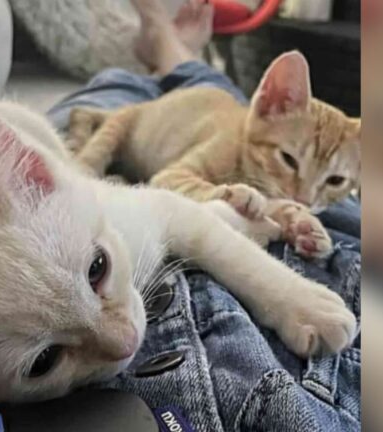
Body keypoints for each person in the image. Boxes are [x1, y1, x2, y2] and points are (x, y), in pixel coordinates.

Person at [45, 1, 362, 431]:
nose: (305, 196)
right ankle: (169, 52)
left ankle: (175, 51)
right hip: (154, 127)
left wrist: (280, 207)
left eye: (335, 183)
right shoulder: (248, 137)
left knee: (203, 89)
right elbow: (170, 181)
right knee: (110, 106)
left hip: (223, 119)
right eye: (290, 161)